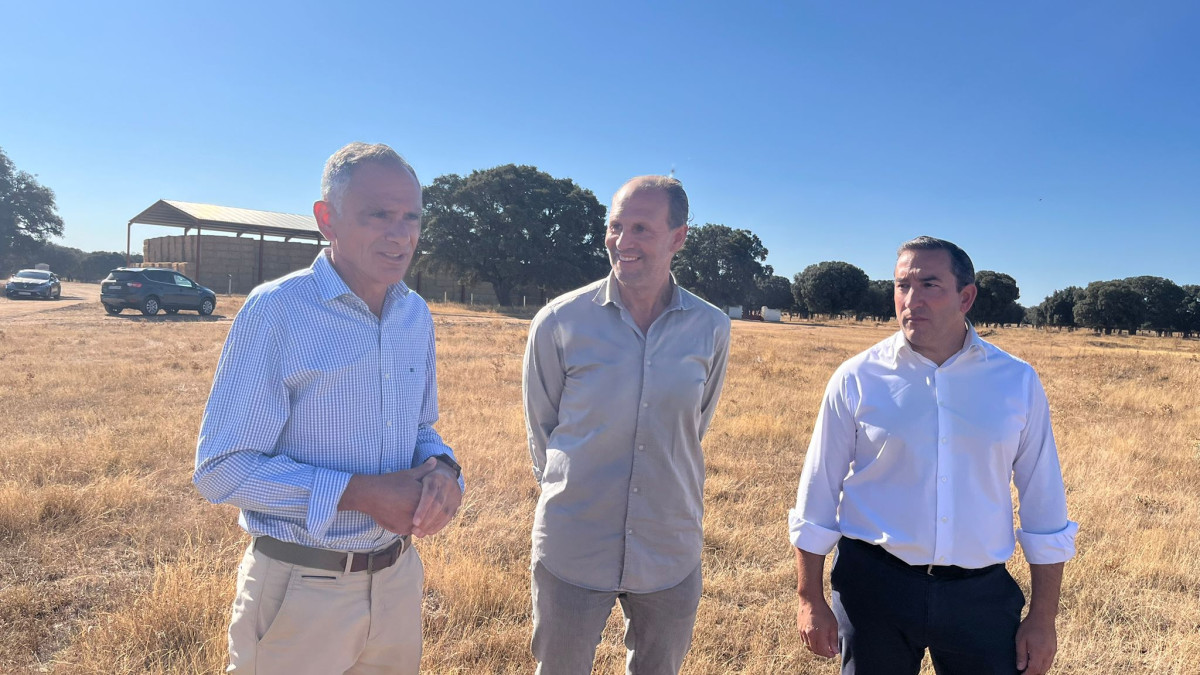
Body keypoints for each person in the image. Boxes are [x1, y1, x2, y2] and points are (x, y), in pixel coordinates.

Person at [194, 142, 464, 674]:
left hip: (398, 580)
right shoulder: (277, 311)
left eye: (411, 217)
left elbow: (420, 428)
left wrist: (446, 469)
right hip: (300, 591)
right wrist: (360, 495)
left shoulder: (415, 315)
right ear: (327, 220)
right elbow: (220, 470)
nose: (400, 233)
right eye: (378, 215)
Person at [790, 236, 1078, 675]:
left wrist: (1043, 618)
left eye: (929, 285)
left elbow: (1044, 504)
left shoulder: (1016, 382)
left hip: (979, 597)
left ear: (966, 297)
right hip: (873, 590)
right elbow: (818, 492)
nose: (911, 300)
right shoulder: (857, 377)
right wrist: (809, 598)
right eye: (902, 286)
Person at [522, 175, 731, 674]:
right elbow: (543, 430)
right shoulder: (559, 322)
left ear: (678, 237)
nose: (623, 240)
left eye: (641, 227)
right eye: (616, 226)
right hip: (574, 542)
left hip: (669, 545)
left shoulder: (711, 328)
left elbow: (692, 426)